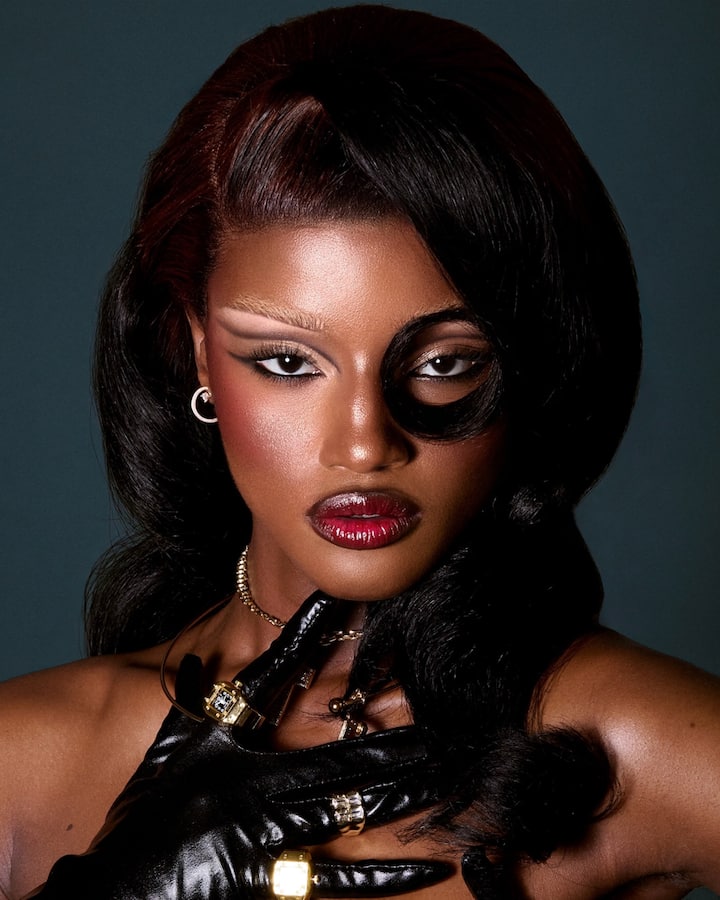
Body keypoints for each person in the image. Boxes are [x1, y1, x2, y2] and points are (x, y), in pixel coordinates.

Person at [1, 4, 719, 898]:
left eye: (444, 364)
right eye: (287, 362)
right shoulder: (19, 763)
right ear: (197, 351)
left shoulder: (629, 752)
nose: (364, 443)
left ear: (526, 367)